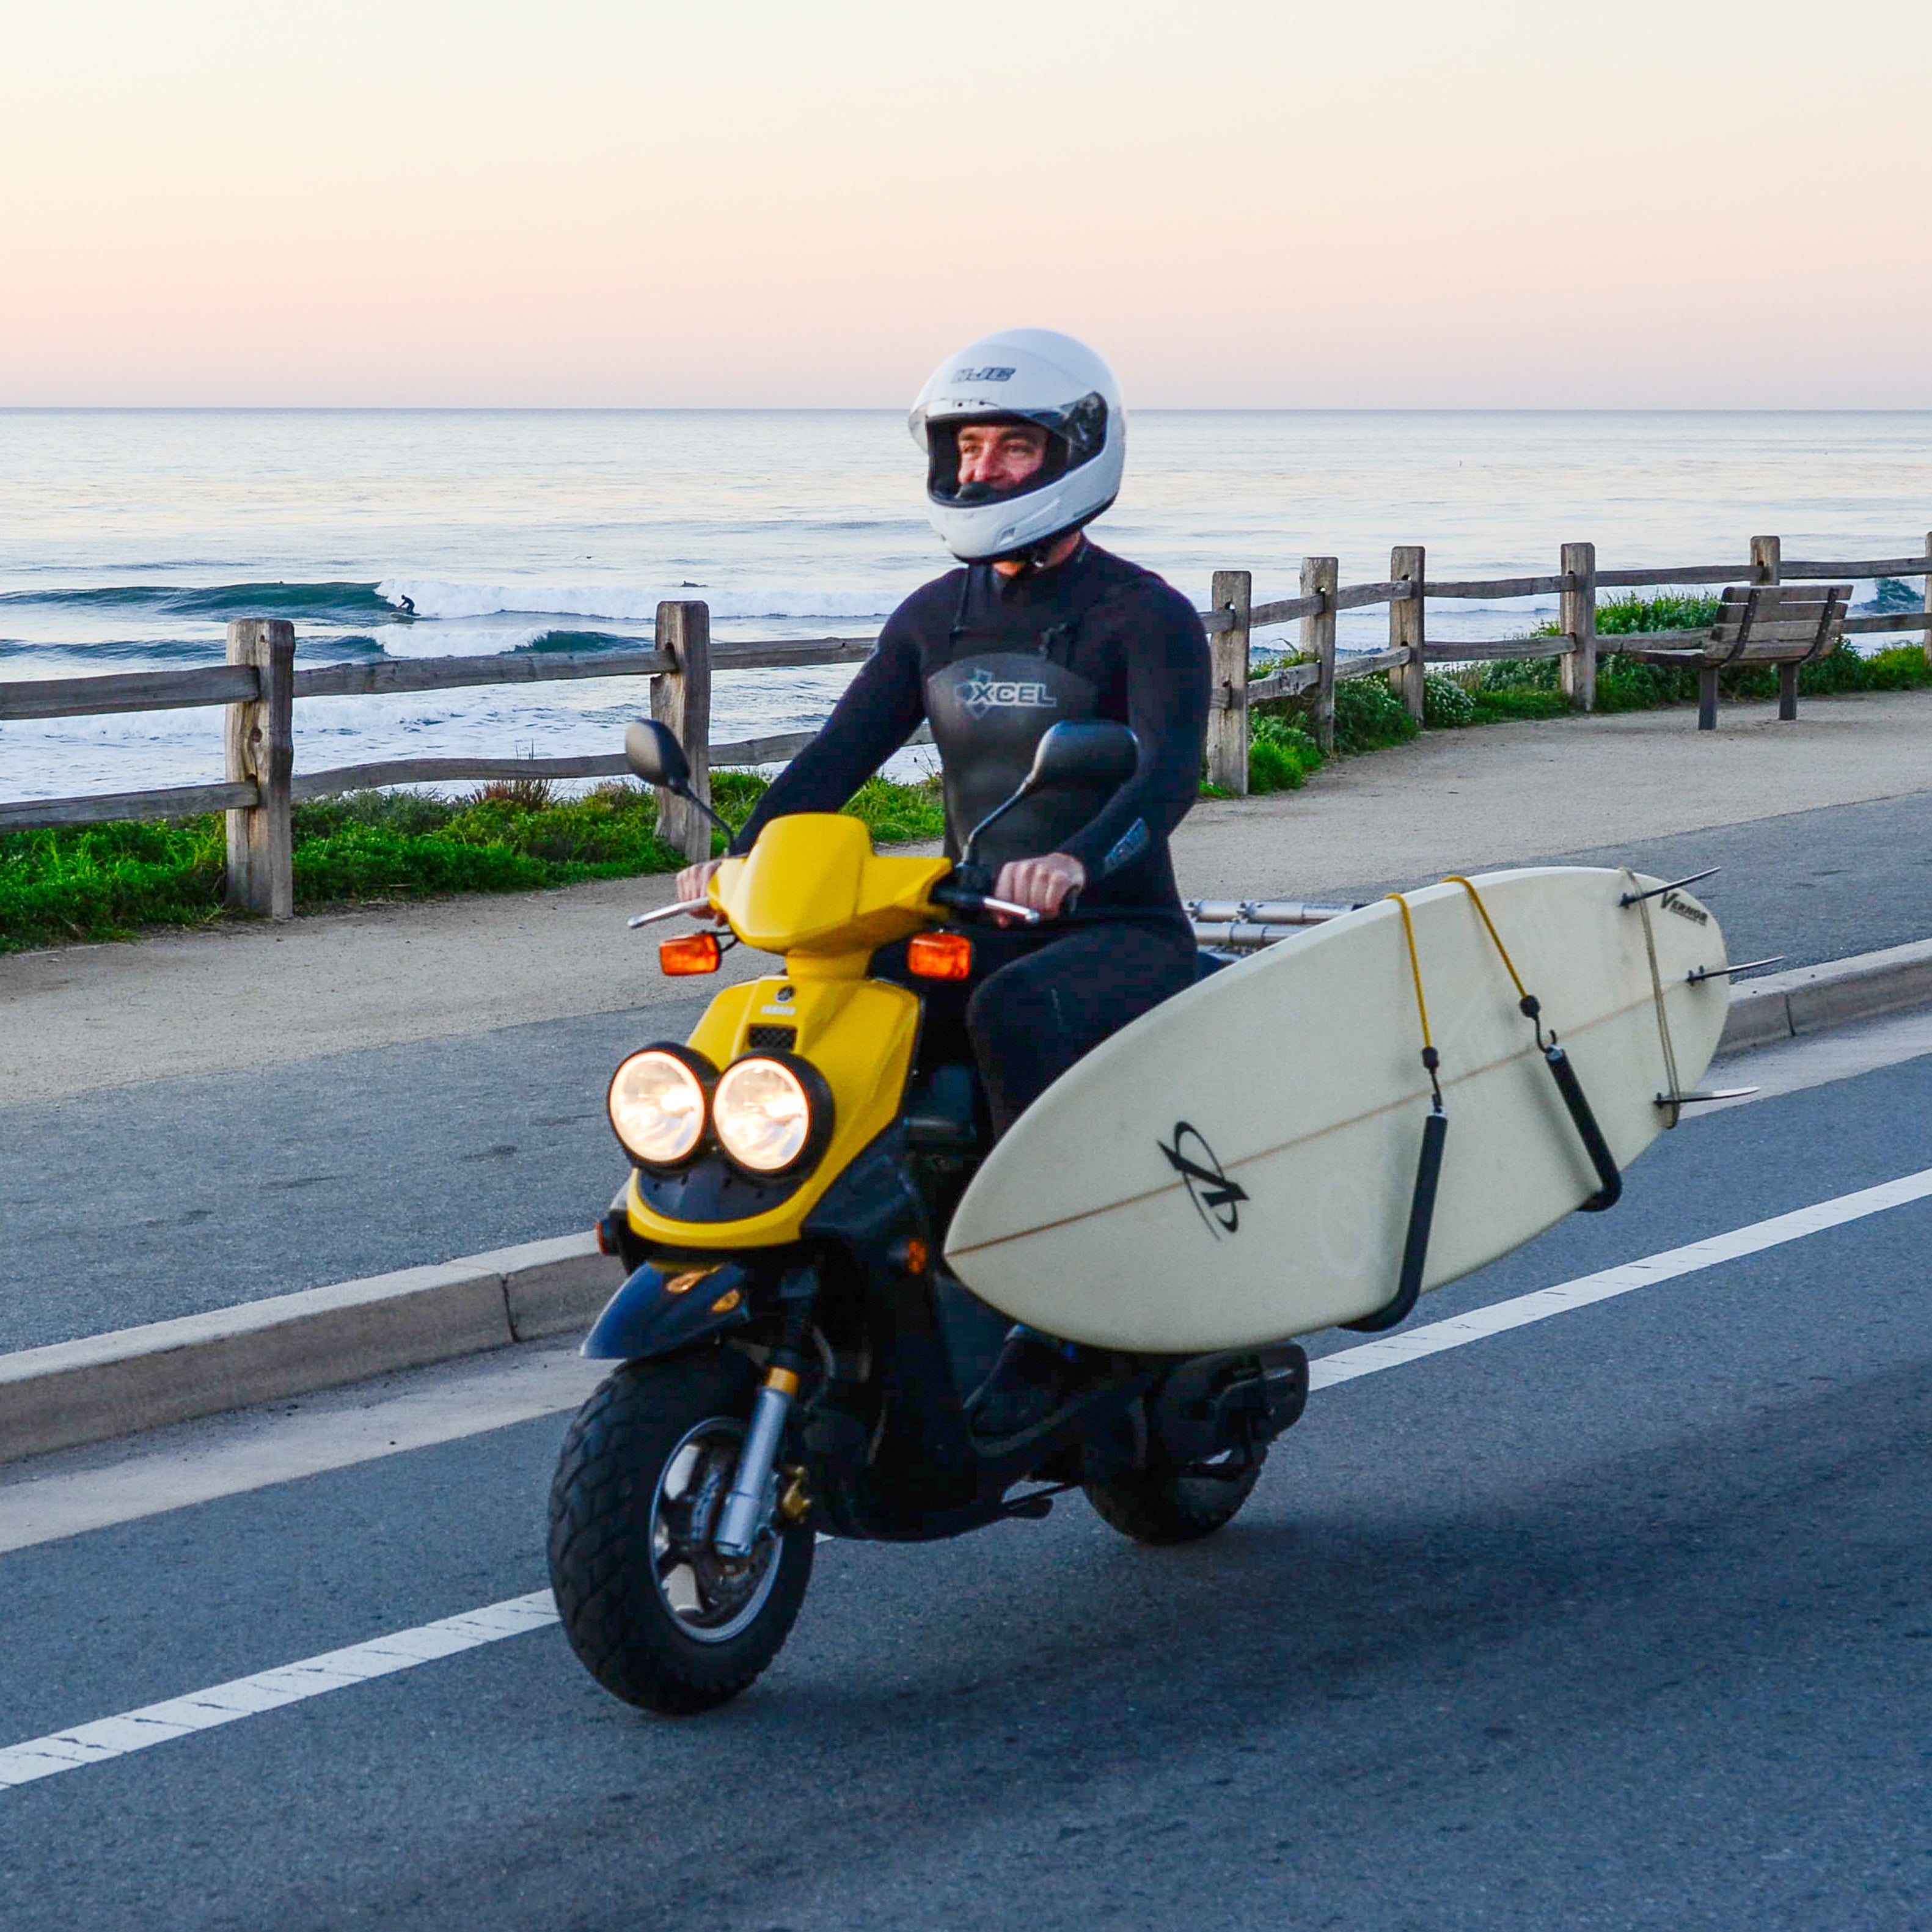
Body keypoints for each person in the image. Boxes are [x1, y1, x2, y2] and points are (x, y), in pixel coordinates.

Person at [676, 327, 1210, 1431]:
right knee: (838, 999)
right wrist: (744, 856)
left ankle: (1062, 1311)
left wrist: (1076, 860)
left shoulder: (1142, 613)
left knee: (1012, 1009)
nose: (984, 469)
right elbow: (834, 759)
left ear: (1075, 451)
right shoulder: (933, 617)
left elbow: (1165, 779)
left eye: (1013, 447)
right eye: (968, 447)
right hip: (978, 915)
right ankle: (874, 1259)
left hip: (1113, 928)